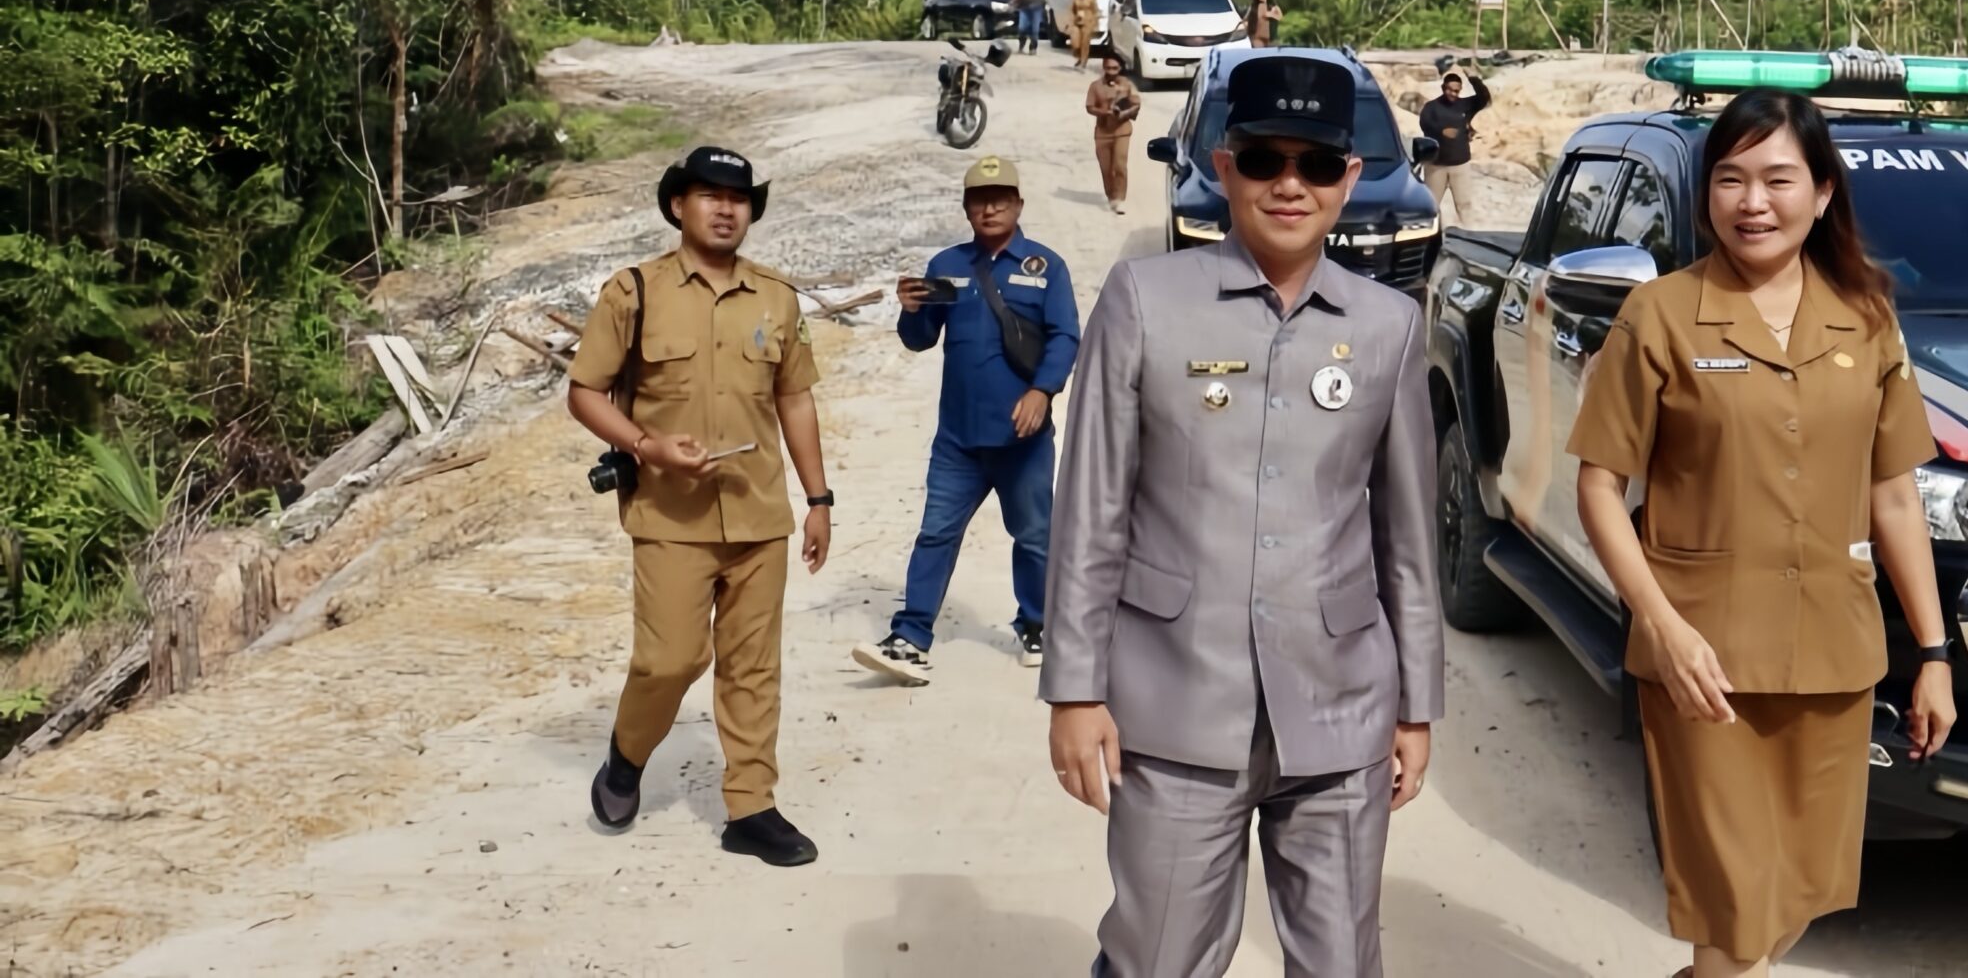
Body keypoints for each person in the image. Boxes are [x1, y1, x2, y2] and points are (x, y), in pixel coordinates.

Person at [1043, 53, 1443, 977]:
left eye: (1315, 164)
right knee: (1159, 956)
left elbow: (1409, 542)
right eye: (1265, 161)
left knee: (1343, 959)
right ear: (1223, 169)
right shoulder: (1145, 300)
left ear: (1351, 176)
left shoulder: (1387, 326)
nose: (1289, 185)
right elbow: (1090, 509)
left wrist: (1417, 705)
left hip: (1341, 707)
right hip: (1178, 699)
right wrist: (1073, 685)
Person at [1565, 89, 1953, 978]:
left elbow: (1893, 495)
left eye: (1778, 179)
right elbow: (1597, 488)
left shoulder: (1867, 318)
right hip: (1704, 660)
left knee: (1798, 897)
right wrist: (1662, 628)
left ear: (1822, 194)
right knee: (1735, 913)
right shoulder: (1659, 315)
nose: (1753, 201)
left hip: (1834, 654)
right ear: (1707, 195)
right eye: (1731, 178)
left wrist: (1933, 652)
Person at [565, 145, 835, 867]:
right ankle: (627, 756)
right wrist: (647, 446)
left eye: (738, 197)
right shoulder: (634, 291)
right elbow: (585, 391)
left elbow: (795, 397)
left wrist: (818, 498)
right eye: (708, 194)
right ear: (678, 204)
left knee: (752, 666)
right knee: (670, 658)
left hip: (759, 516)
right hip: (670, 517)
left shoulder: (777, 297)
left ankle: (751, 807)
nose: (725, 207)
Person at [853, 154, 1081, 684]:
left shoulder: (1045, 268)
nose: (991, 206)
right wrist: (911, 310)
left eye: (1001, 196)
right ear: (966, 207)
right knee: (935, 533)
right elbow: (919, 340)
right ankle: (910, 637)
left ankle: (1039, 625)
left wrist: (1042, 392)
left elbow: (1066, 336)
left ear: (1019, 204)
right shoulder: (946, 265)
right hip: (958, 440)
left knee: (1035, 535)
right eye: (980, 198)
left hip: (1022, 440)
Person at [1417, 63, 1492, 223]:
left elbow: (1484, 97)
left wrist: (1473, 78)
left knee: (1464, 205)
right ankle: (1432, 239)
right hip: (1436, 165)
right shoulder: (1431, 107)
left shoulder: (1465, 105)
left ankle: (1469, 236)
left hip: (1460, 164)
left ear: (1460, 90)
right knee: (1431, 206)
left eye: (1456, 91)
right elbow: (1425, 124)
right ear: (1443, 87)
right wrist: (1441, 131)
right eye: (1450, 89)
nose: (1453, 93)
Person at [1085, 51, 1141, 216]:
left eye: (1115, 68)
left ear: (1120, 68)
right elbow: (1089, 107)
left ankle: (1120, 199)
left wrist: (1125, 111)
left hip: (1122, 131)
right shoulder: (1095, 86)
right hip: (1102, 132)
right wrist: (1105, 112)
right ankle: (1111, 195)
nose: (1111, 71)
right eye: (1108, 67)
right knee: (1106, 168)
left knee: (1120, 166)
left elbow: (1137, 103)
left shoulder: (1127, 85)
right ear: (1103, 67)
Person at [1069, 0, 1103, 71]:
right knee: (1075, 43)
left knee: (1085, 42)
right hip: (1077, 21)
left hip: (1088, 21)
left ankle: (1083, 61)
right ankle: (1079, 57)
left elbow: (1095, 11)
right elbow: (1072, 9)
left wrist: (1096, 23)